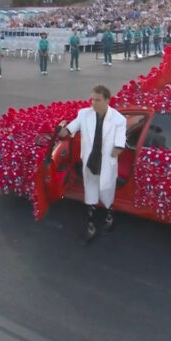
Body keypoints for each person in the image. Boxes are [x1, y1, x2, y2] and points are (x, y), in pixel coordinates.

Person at [57, 85, 127, 240]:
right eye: (92, 99)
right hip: (90, 161)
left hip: (106, 163)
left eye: (98, 100)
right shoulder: (84, 114)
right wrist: (63, 131)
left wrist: (118, 148)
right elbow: (71, 128)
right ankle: (90, 225)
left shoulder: (118, 120)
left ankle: (109, 216)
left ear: (107, 100)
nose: (93, 103)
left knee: (107, 193)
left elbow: (120, 140)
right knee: (90, 192)